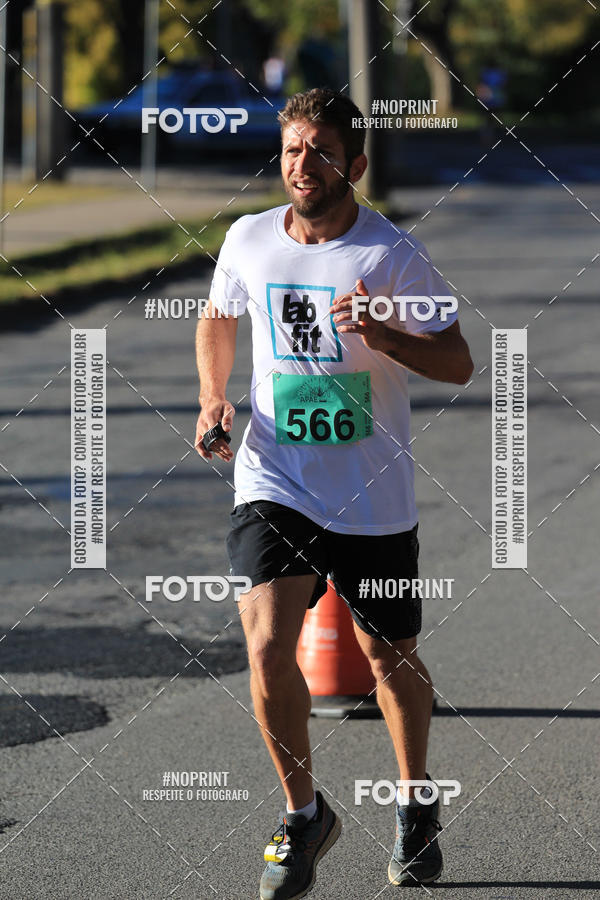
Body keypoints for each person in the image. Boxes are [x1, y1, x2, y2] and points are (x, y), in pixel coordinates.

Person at [195, 87, 473, 900]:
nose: (302, 164)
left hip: (369, 490)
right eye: (291, 149)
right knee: (266, 647)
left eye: (320, 150)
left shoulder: (391, 255)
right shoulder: (249, 238)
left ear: (355, 163)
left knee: (389, 656)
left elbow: (458, 362)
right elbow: (219, 315)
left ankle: (415, 802)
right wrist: (213, 396)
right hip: (273, 474)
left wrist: (383, 333)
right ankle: (304, 814)